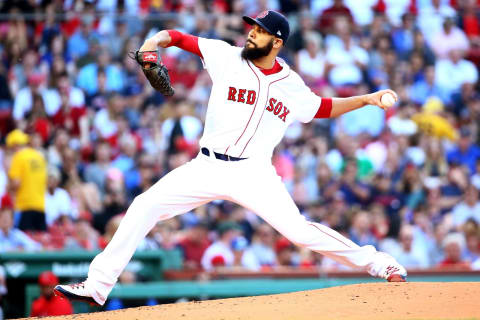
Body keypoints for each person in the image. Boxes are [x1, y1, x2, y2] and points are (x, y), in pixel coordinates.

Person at [55, 10, 407, 307]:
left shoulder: (290, 83)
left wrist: (366, 99)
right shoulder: (226, 55)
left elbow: (322, 108)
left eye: (261, 31)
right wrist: (151, 44)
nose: (252, 34)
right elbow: (176, 37)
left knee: (300, 233)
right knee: (144, 205)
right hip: (206, 166)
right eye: (252, 28)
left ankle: (381, 263)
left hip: (254, 174)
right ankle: (98, 286)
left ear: (277, 42)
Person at [6, 129, 47, 232]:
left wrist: (7, 188)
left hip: (24, 206)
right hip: (41, 206)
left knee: (23, 244)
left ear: (14, 145)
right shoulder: (39, 157)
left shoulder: (19, 157)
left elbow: (16, 183)